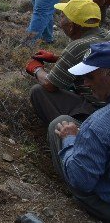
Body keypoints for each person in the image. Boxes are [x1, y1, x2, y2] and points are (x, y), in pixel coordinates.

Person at [48, 41, 110, 221]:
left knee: (59, 124)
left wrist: (69, 141)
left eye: (90, 77)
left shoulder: (98, 124)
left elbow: (82, 181)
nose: (85, 83)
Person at [26, 0, 108, 124]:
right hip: (106, 104)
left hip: (97, 108)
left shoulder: (77, 46)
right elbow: (91, 58)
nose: (60, 19)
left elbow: (50, 84)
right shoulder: (105, 35)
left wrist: (36, 69)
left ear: (71, 26)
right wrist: (57, 58)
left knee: (38, 91)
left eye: (63, 16)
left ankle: (70, 130)